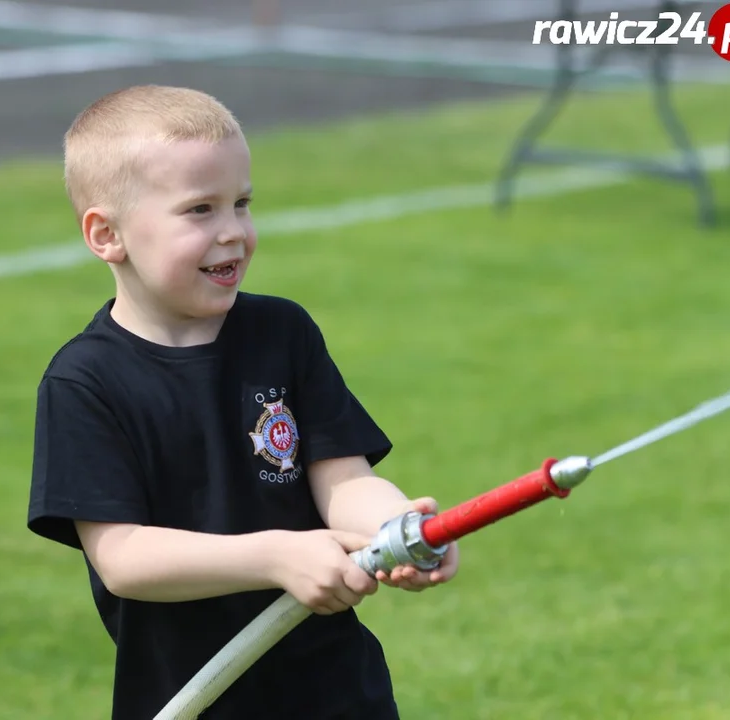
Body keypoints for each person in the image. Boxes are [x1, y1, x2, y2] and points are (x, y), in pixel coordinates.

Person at [27, 84, 460, 720]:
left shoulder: (282, 334)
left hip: (338, 691)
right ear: (106, 234)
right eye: (199, 210)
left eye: (242, 203)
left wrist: (397, 530)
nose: (233, 232)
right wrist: (278, 556)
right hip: (194, 698)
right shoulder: (85, 382)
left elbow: (343, 480)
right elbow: (123, 558)